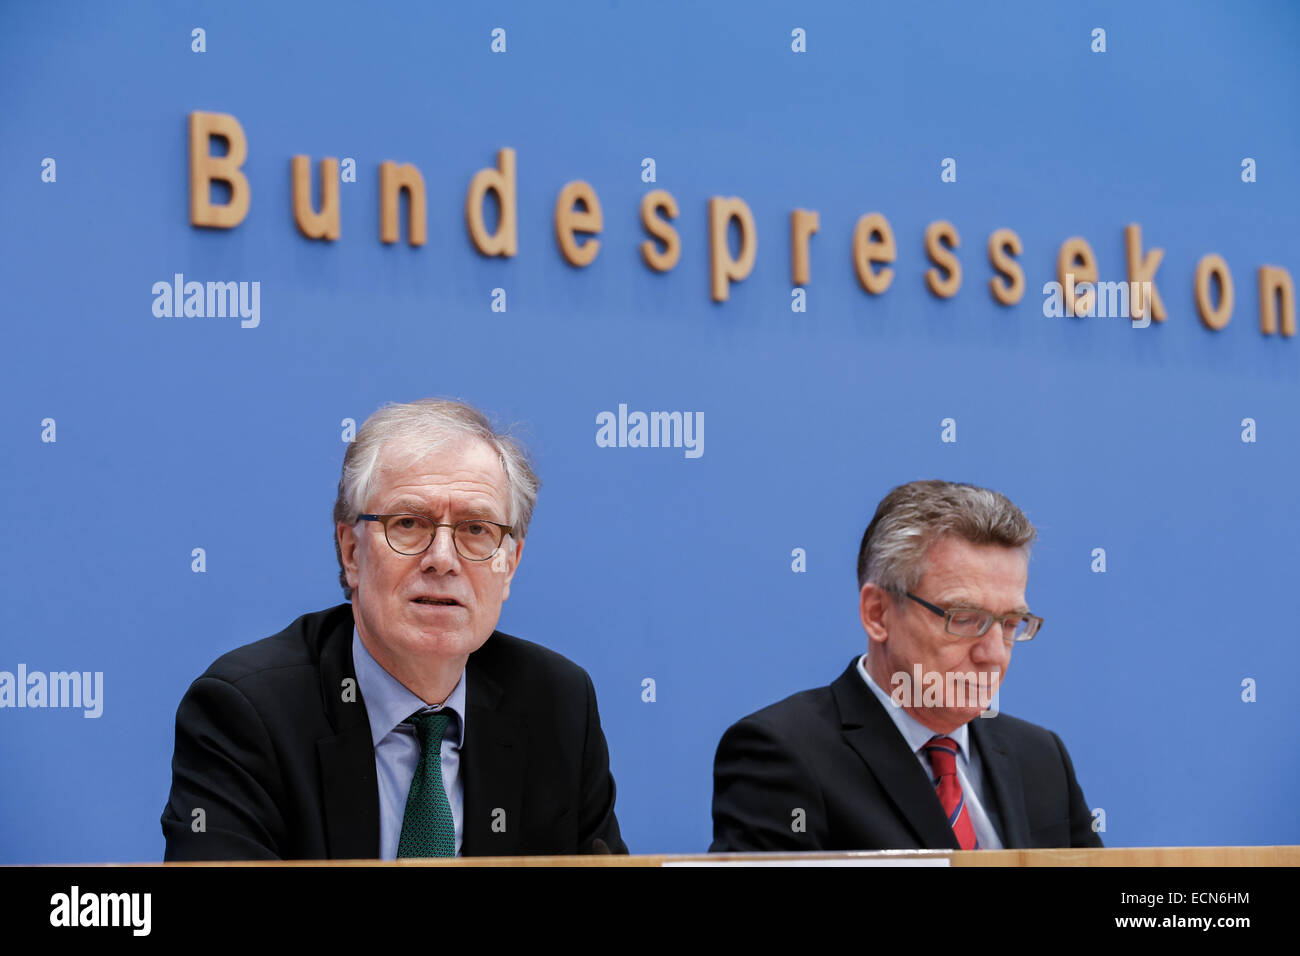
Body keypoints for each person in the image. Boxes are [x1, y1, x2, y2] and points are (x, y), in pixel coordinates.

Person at [162, 398, 626, 859]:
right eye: (408, 523)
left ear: (510, 563)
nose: (442, 559)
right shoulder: (249, 712)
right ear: (351, 551)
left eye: (475, 529)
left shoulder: (557, 705)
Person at [710, 479, 1102, 852]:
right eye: (964, 619)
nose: (994, 654)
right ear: (877, 613)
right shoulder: (783, 754)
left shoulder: (1041, 757)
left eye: (1011, 623)